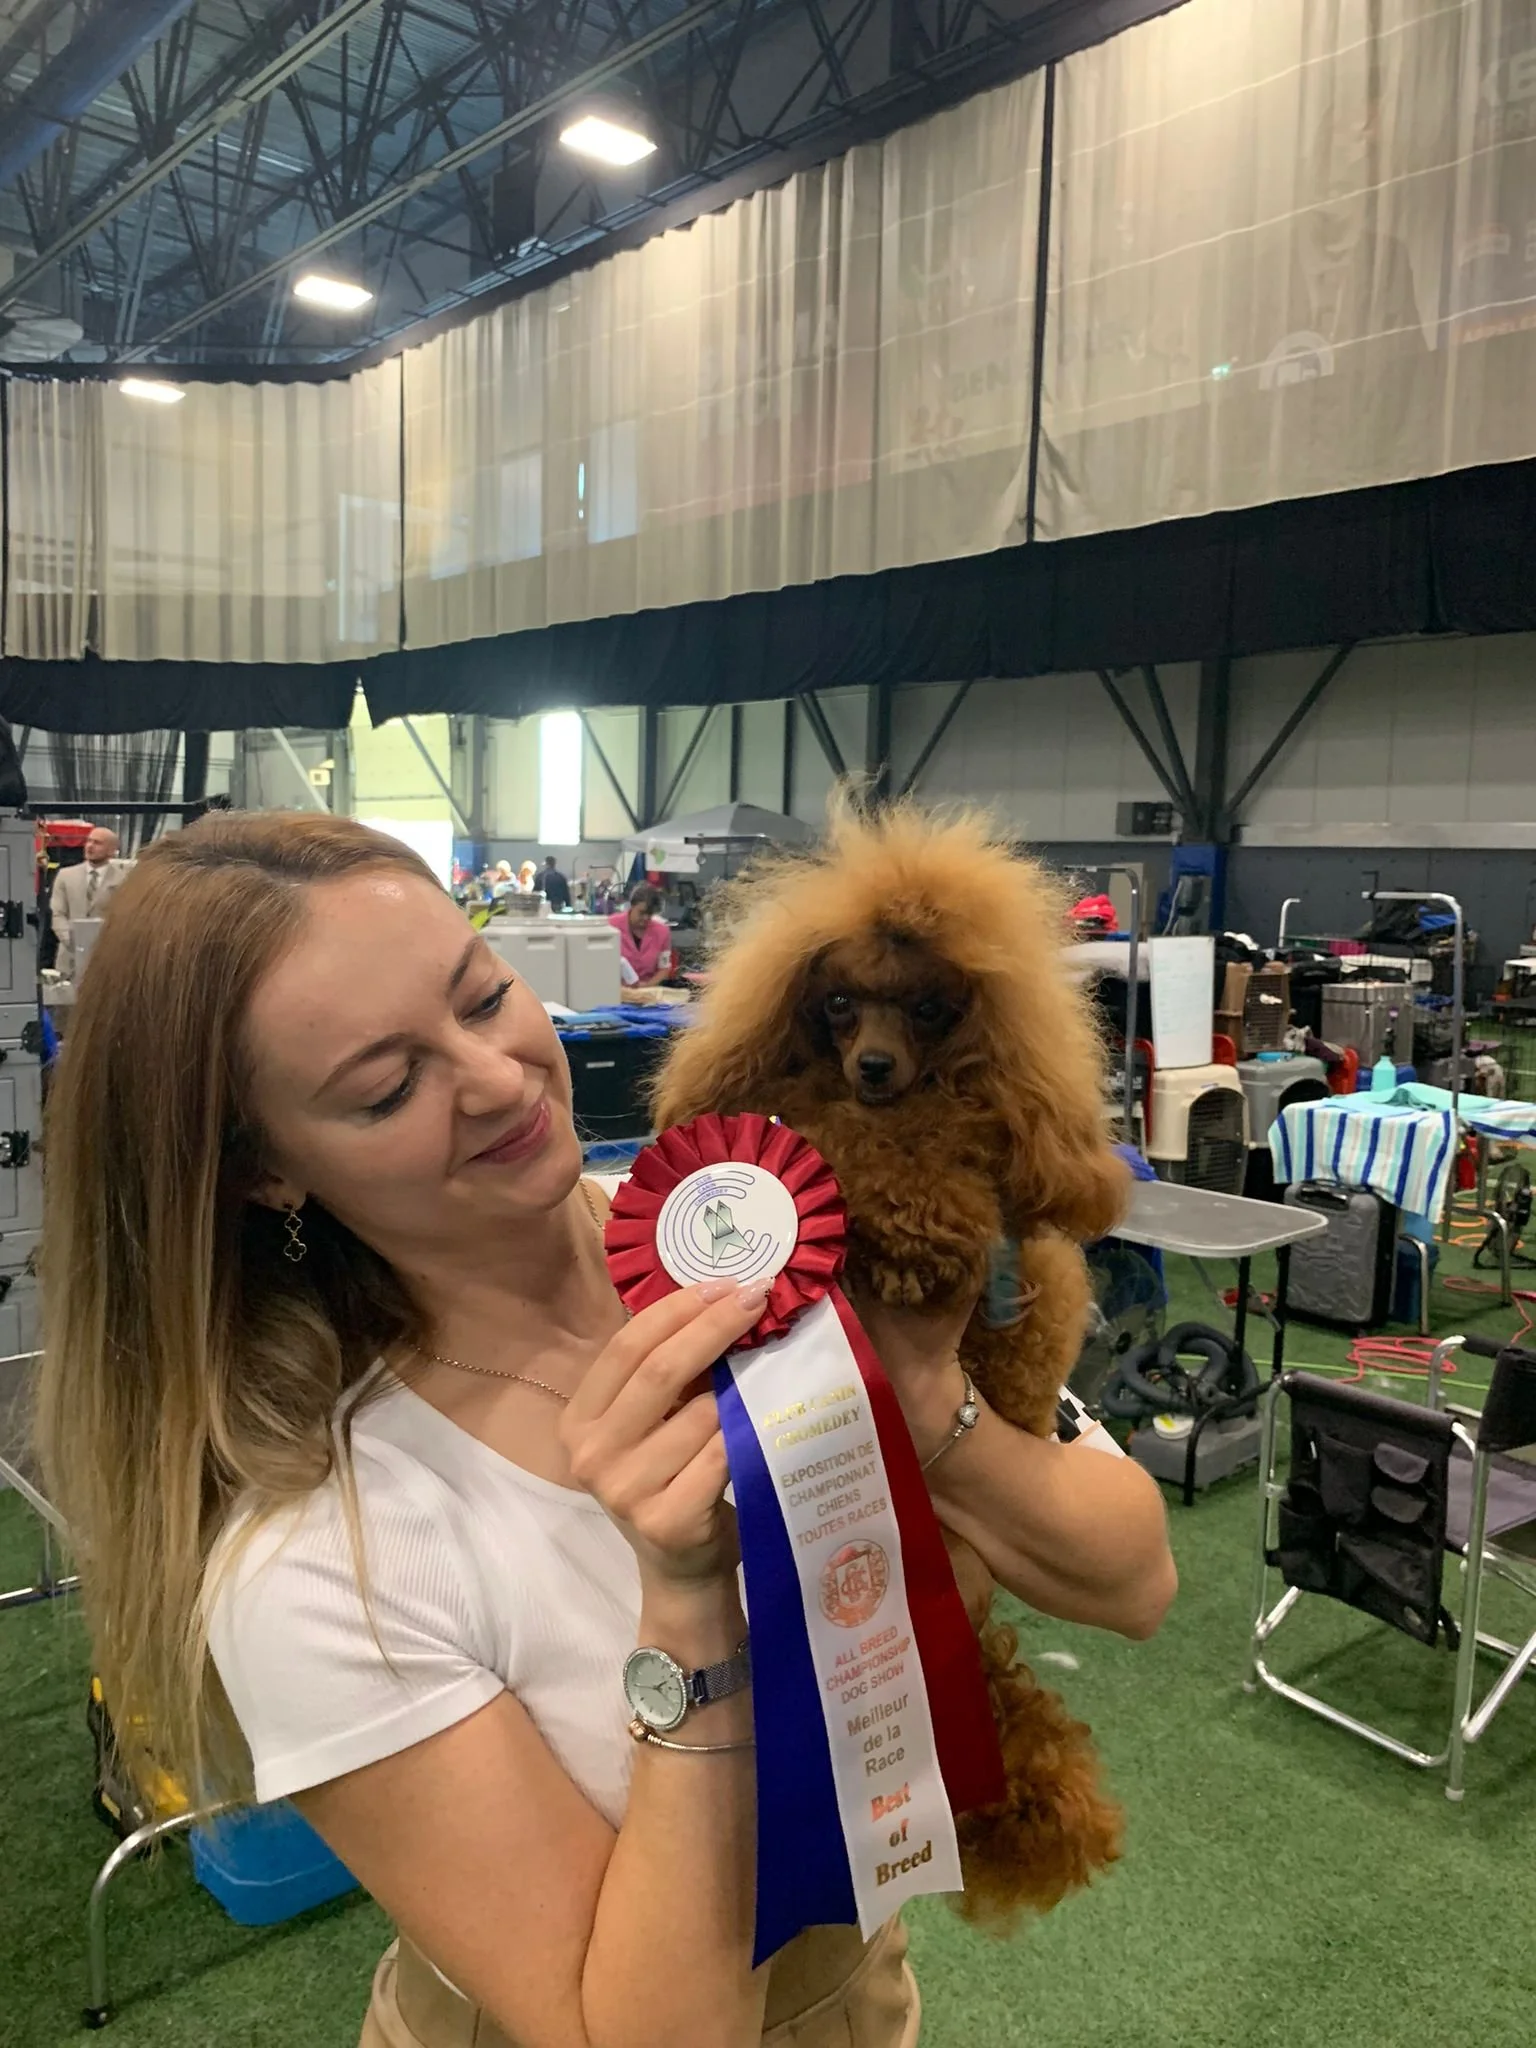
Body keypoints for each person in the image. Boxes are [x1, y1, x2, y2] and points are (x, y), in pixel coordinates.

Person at [36, 812, 1175, 2048]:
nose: (496, 1075)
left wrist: (919, 1404)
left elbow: (1134, 1577)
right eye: (386, 1085)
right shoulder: (319, 1548)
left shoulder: (755, 1238)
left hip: (858, 1999)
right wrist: (683, 1603)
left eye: (482, 997)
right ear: (268, 1171)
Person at [49, 825, 130, 980]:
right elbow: (57, 914)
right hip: (69, 958)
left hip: (106, 957)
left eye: (97, 843)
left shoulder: (124, 880)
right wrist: (73, 941)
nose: (90, 846)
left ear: (112, 850)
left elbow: (124, 918)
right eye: (89, 841)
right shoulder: (65, 876)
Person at [609, 882, 670, 987]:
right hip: (614, 991)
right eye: (641, 912)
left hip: (648, 993)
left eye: (650, 914)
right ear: (632, 905)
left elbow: (663, 969)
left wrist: (646, 987)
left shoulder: (662, 932)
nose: (646, 918)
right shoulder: (611, 926)